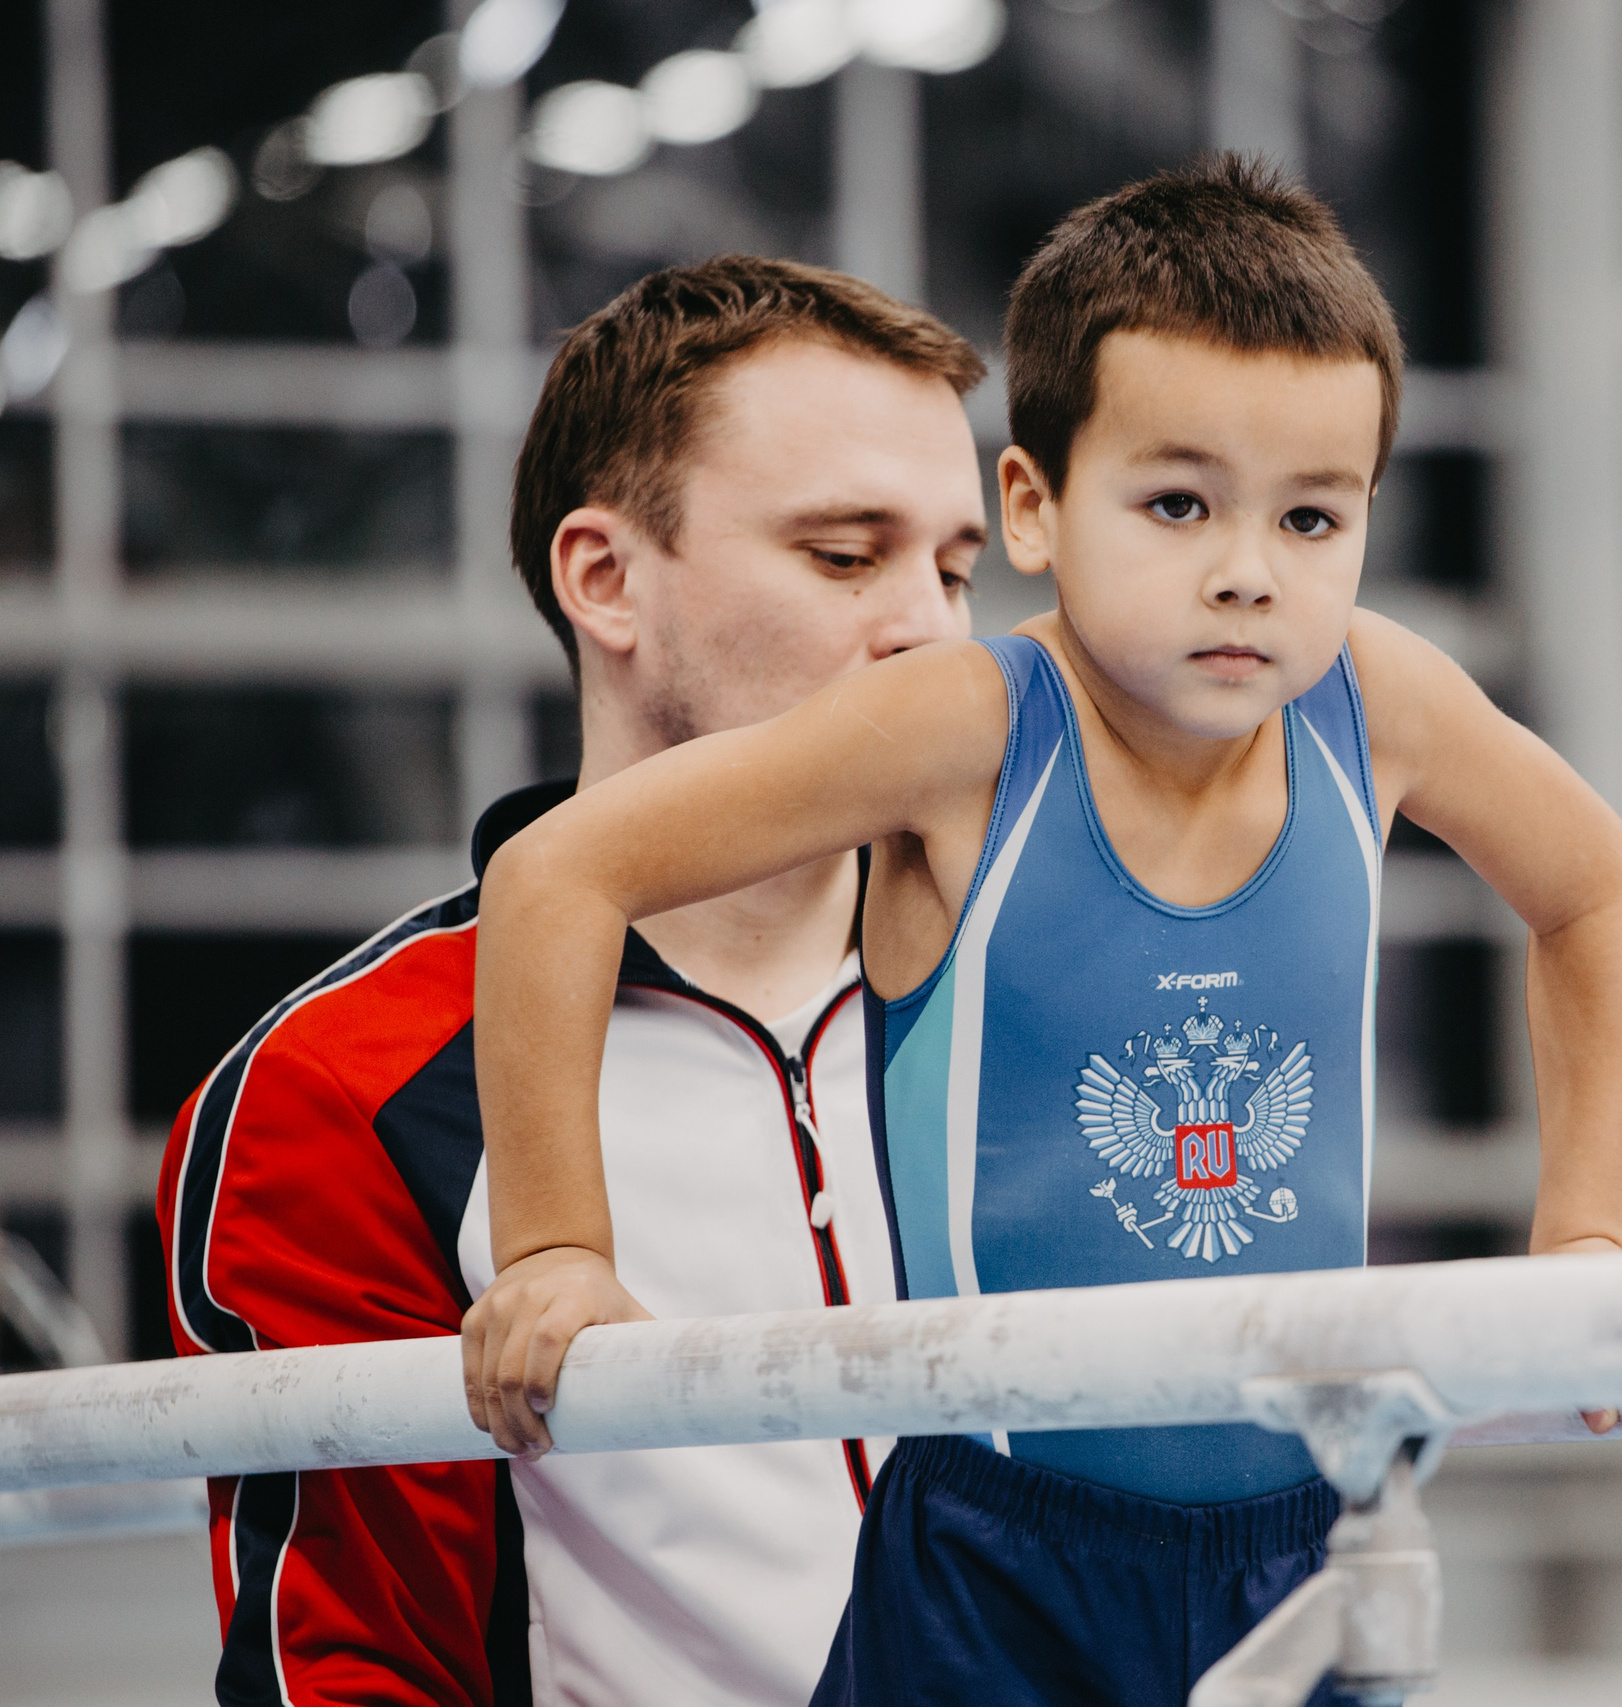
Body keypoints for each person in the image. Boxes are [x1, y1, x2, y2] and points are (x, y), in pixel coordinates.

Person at [460, 157, 1622, 1706]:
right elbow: (558, 874)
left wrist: (1583, 1238)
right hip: (998, 1556)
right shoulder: (966, 728)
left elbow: (1599, 892)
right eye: (1178, 504)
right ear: (1031, 505)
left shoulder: (1382, 704)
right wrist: (561, 1246)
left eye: (1313, 517)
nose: (1248, 570)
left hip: (1312, 1526)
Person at [152, 254, 988, 1707]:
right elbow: (358, 1671)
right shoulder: (343, 1091)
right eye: (847, 557)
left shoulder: (1048, 992)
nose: (930, 629)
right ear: (606, 580)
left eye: (959, 567)